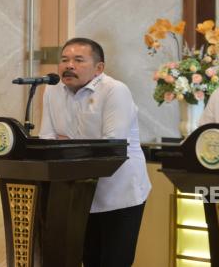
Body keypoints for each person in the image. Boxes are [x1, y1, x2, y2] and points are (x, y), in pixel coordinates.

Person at [39, 37, 151, 266]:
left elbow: (111, 146)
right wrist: (72, 143)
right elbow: (47, 139)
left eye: (78, 60)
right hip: (77, 193)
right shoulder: (52, 91)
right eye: (64, 60)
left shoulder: (115, 91)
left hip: (119, 192)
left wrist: (68, 142)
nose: (69, 65)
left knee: (113, 261)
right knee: (88, 259)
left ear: (99, 68)